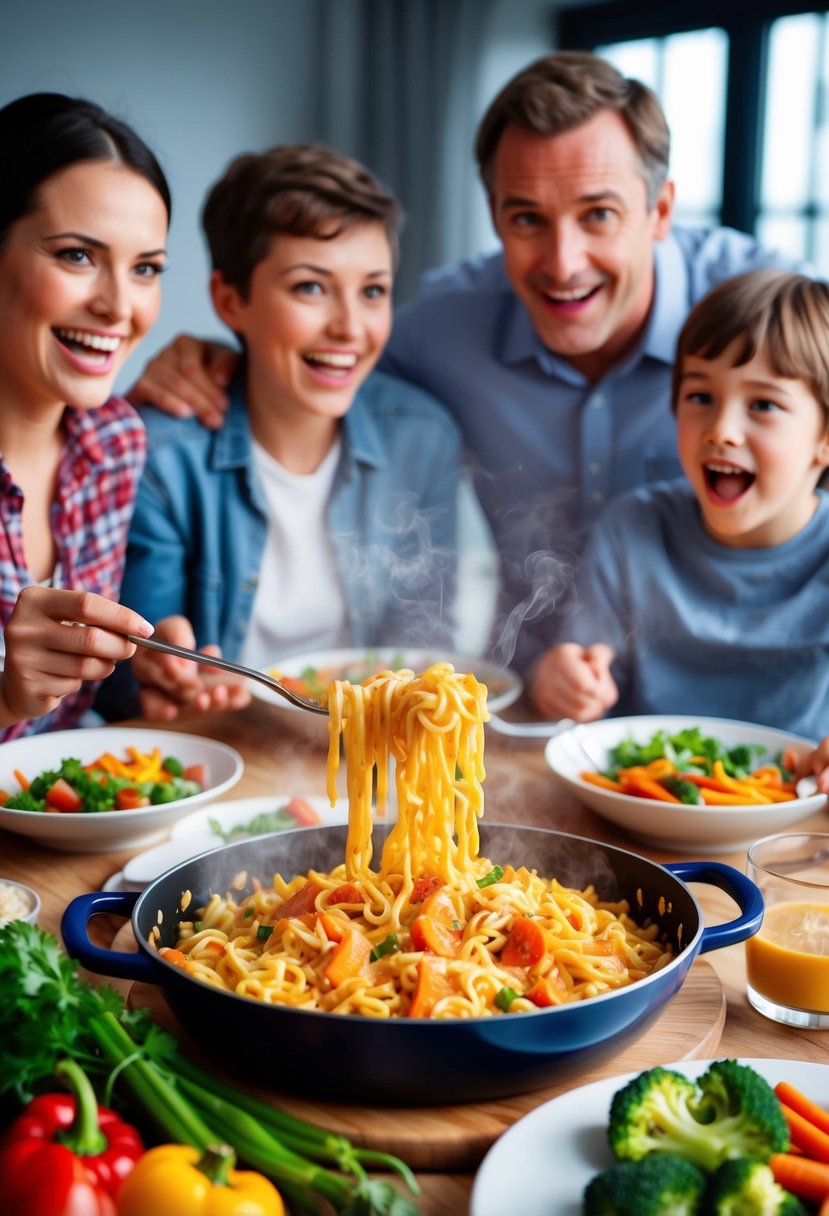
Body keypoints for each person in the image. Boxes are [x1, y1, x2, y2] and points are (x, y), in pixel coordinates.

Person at [126, 51, 807, 674]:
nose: (562, 263)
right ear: (492, 215)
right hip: (531, 709)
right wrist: (214, 354)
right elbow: (321, 361)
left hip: (746, 721)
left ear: (660, 209)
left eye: (597, 214)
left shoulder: (777, 318)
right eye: (525, 219)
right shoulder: (440, 327)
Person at [100, 144, 460, 723]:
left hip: (377, 750)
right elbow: (124, 684)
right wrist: (164, 675)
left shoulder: (423, 438)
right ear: (230, 300)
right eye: (311, 288)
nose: (349, 328)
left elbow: (427, 644)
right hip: (223, 749)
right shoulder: (162, 458)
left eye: (373, 290)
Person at [527, 270, 829, 786]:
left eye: (763, 405)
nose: (721, 431)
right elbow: (584, 682)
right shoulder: (633, 528)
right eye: (699, 397)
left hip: (798, 835)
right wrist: (558, 681)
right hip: (638, 809)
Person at [0, 92, 170, 740]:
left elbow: (76, 700)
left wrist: (145, 673)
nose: (119, 306)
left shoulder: (114, 440)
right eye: (76, 255)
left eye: (146, 268)